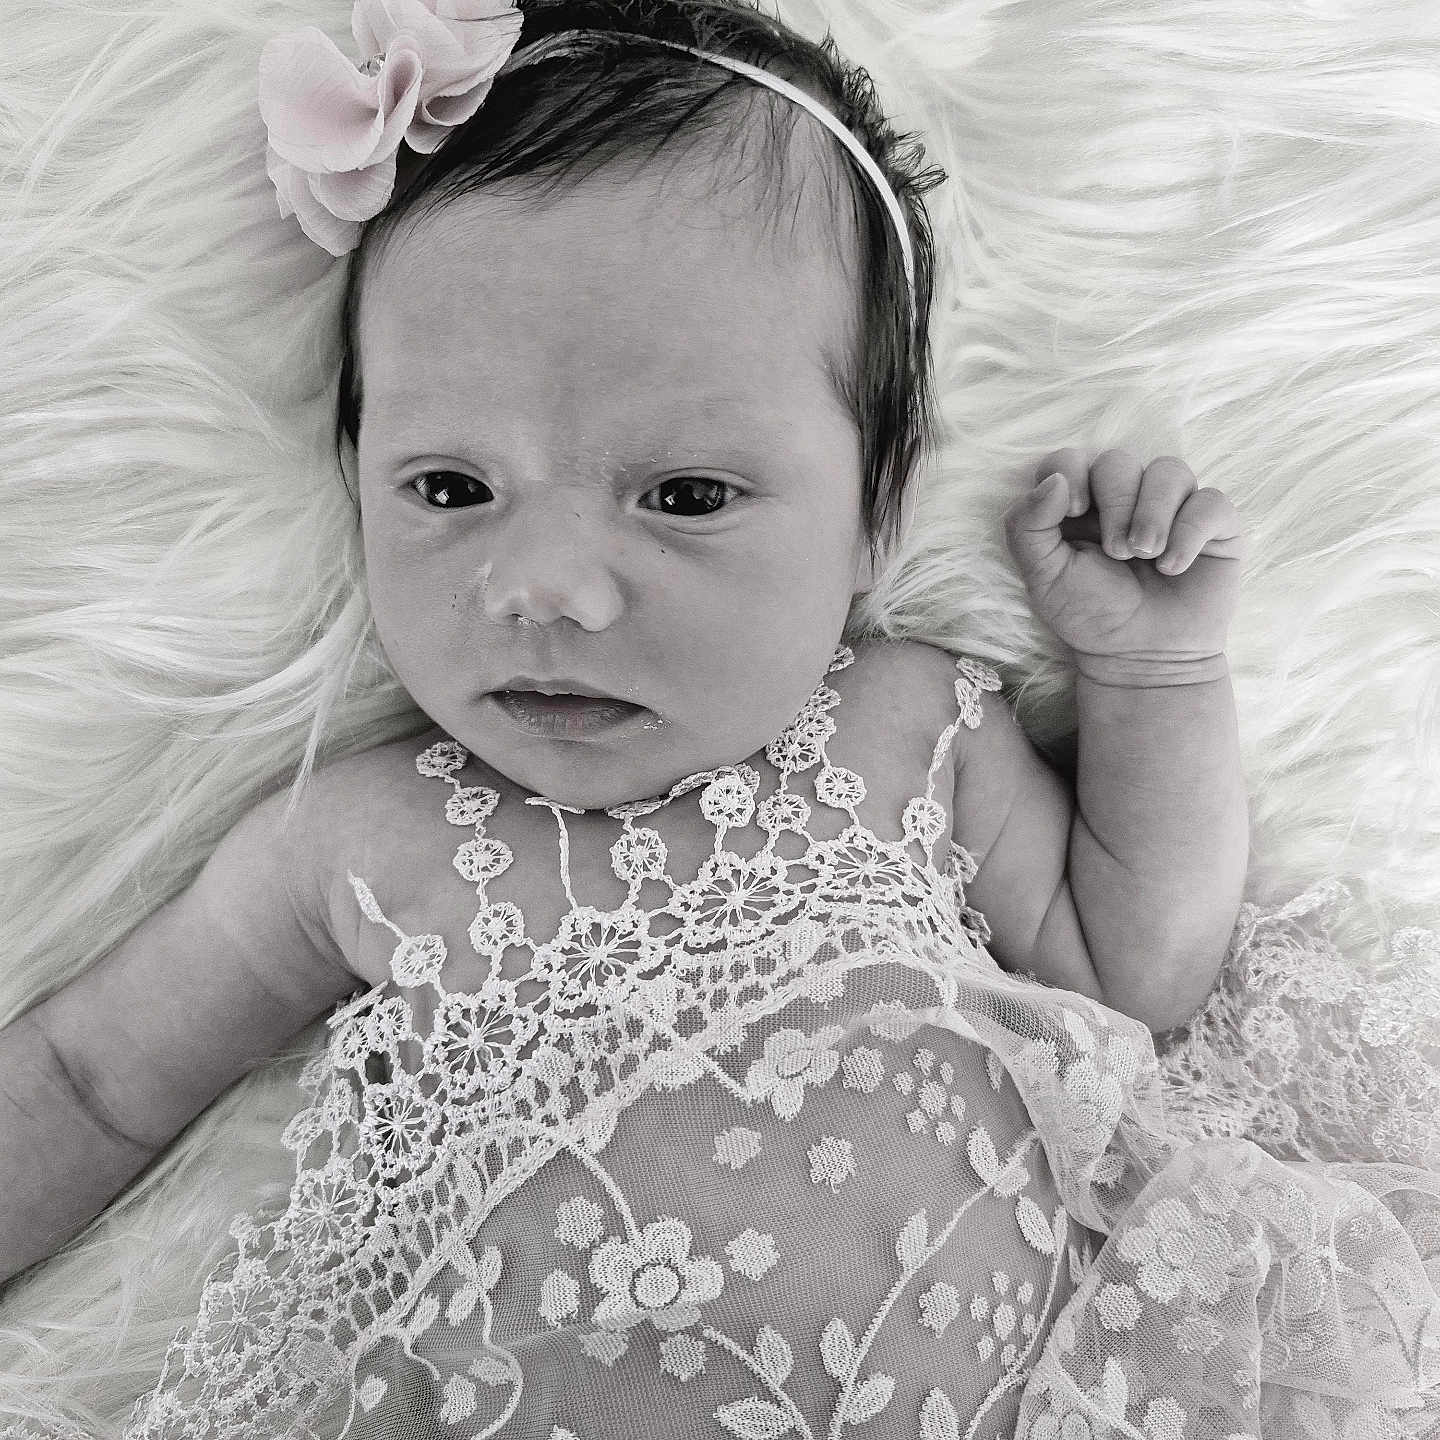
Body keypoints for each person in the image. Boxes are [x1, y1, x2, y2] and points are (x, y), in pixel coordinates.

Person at [1, 0, 1436, 1434]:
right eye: (450, 489)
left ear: (875, 518)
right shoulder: (358, 839)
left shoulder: (903, 729)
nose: (547, 588)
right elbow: (90, 1078)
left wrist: (1155, 677)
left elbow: (1137, 969)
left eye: (685, 496)